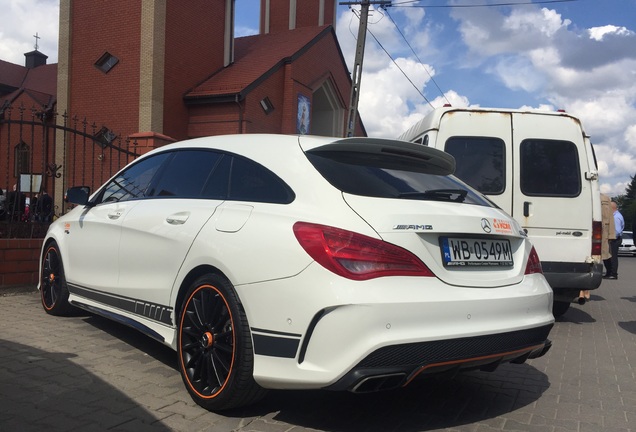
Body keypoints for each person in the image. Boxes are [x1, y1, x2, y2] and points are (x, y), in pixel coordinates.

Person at [604, 201, 624, 280]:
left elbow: (617, 231)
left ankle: (613, 274)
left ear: (611, 208)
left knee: (612, 257)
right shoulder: (614, 216)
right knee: (608, 257)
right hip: (612, 239)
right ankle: (609, 273)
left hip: (614, 239)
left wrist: (610, 238)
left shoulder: (616, 217)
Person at [601, 194, 616, 278]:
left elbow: (610, 218)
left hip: (604, 232)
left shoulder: (605, 199)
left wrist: (611, 235)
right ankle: (610, 273)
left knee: (606, 254)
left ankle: (611, 273)